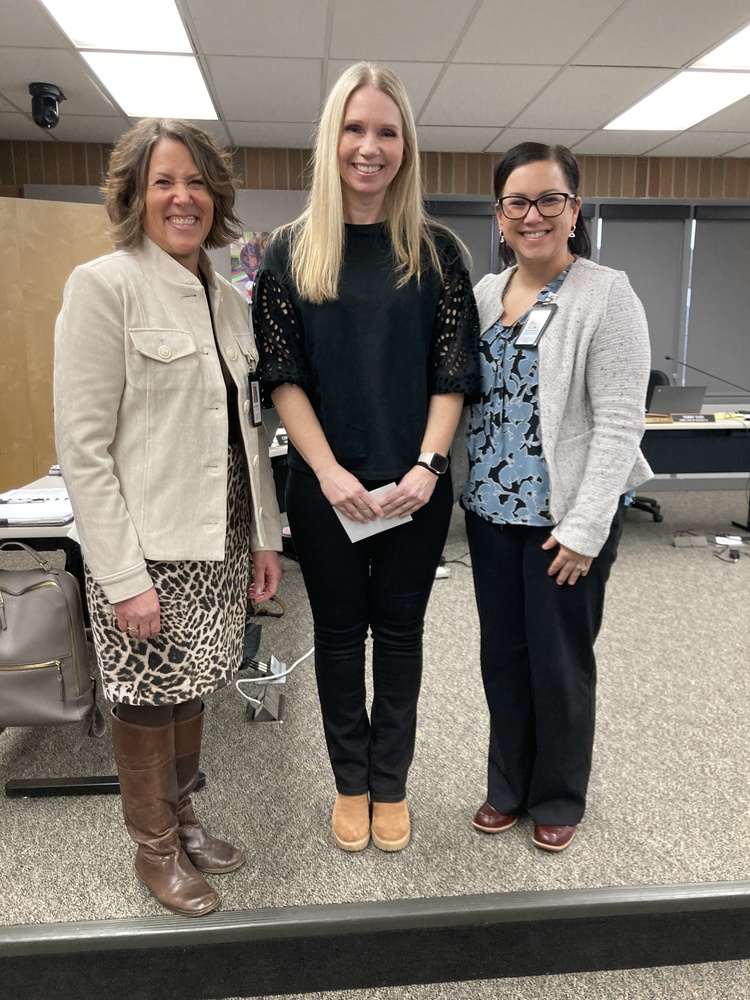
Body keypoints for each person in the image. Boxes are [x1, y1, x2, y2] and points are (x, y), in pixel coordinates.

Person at [54, 118, 283, 916]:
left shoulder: (226, 300)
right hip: (144, 550)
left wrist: (262, 537)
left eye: (196, 182)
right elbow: (83, 450)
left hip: (215, 541)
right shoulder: (104, 285)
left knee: (191, 688)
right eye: (163, 181)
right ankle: (154, 849)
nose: (182, 197)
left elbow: (249, 434)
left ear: (215, 197)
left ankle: (184, 820)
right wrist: (121, 576)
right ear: (135, 195)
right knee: (145, 696)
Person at [252, 62, 479, 854]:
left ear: (406, 147)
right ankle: (351, 784)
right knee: (341, 639)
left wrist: (426, 469)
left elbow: (452, 373)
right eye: (355, 128)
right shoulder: (286, 253)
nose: (370, 146)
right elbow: (283, 378)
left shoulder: (438, 251)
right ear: (331, 140)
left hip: (416, 486)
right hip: (328, 488)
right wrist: (329, 473)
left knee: (404, 637)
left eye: (387, 131)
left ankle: (394, 783)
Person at [460, 142, 651, 852]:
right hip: (490, 515)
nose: (533, 214)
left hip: (564, 521)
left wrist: (586, 527)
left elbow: (619, 421)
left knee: (560, 663)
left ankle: (559, 793)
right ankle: (507, 785)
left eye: (549, 199)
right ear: (500, 214)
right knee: (502, 658)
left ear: (574, 208)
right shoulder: (483, 295)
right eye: (518, 202)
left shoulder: (607, 293)